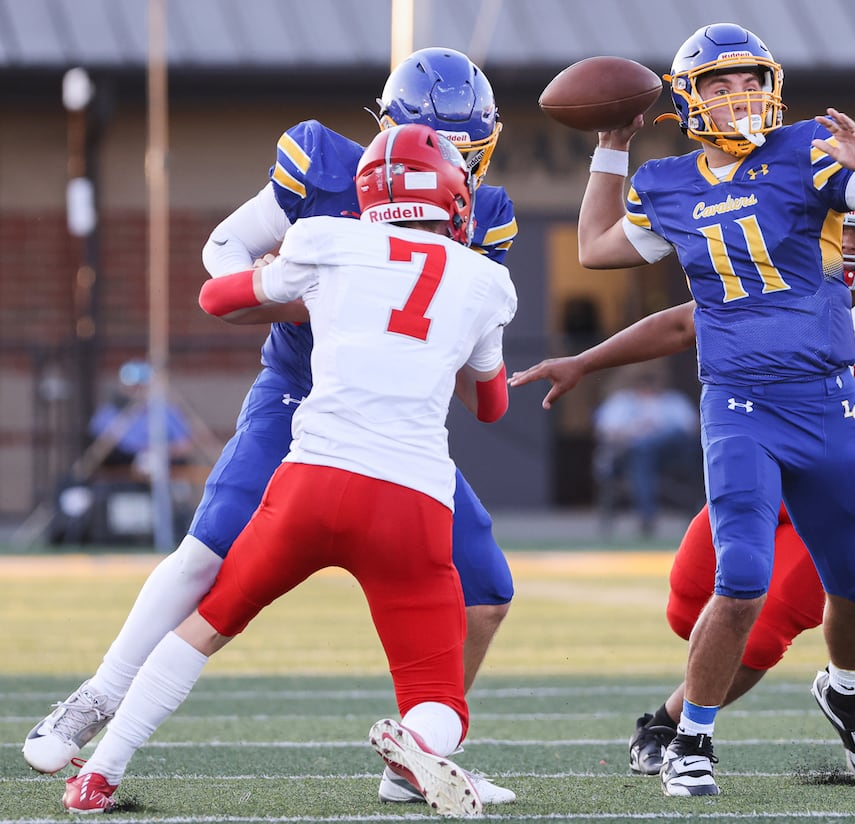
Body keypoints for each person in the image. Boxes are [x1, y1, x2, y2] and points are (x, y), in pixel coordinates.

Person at [25, 48, 519, 805]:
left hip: (394, 417)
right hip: (301, 391)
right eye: (447, 147)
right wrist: (315, 300)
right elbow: (223, 248)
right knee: (206, 550)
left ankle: (413, 761)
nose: (457, 165)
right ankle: (98, 696)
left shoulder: (485, 214)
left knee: (487, 588)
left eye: (468, 149)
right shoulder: (323, 163)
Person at [569, 22, 855, 795]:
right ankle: (692, 742)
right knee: (741, 578)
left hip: (828, 401)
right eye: (720, 84)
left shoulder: (808, 151)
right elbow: (596, 249)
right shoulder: (670, 183)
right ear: (689, 99)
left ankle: (848, 691)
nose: (740, 96)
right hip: (741, 404)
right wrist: (611, 147)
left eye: (751, 81)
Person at [510, 210, 855, 777]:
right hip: (766, 461)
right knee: (688, 605)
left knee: (760, 630)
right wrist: (584, 361)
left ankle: (670, 725)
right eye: (841, 224)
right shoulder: (783, 264)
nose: (848, 242)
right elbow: (684, 325)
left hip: (846, 489)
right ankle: (844, 692)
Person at [592, 367, 698, 537]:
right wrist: (634, 430)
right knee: (642, 453)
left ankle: (647, 515)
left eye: (653, 384)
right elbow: (606, 431)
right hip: (626, 455)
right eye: (644, 385)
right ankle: (647, 514)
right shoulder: (621, 402)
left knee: (657, 443)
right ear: (636, 385)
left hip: (669, 456)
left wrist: (656, 431)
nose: (649, 389)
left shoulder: (673, 401)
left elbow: (690, 427)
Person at [87, 360, 195, 475]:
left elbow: (185, 445)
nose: (133, 391)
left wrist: (156, 452)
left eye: (138, 386)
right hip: (117, 471)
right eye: (130, 386)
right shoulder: (108, 413)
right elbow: (97, 445)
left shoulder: (165, 412)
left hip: (157, 472)